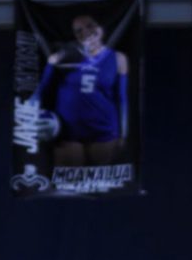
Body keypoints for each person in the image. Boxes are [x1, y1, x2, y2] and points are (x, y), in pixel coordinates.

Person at [30, 15, 128, 167]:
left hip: (104, 131)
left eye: (90, 26)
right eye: (78, 31)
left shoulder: (118, 58)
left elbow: (122, 98)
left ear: (101, 28)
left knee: (101, 186)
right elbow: (41, 90)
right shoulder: (64, 55)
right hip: (68, 131)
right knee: (69, 185)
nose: (85, 32)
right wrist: (52, 63)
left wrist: (124, 131)